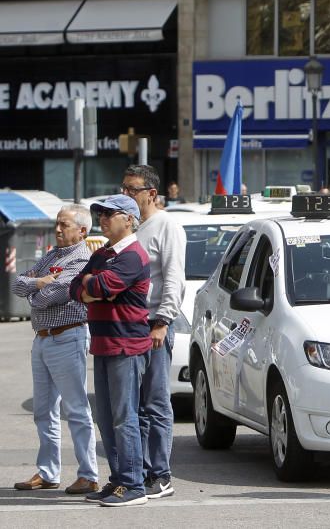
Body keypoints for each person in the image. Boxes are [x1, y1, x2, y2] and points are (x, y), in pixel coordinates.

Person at [69, 195, 151, 507]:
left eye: (109, 214)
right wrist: (91, 286)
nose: (102, 219)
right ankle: (118, 480)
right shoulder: (103, 253)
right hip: (104, 344)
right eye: (100, 214)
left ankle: (133, 484)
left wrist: (92, 287)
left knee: (124, 417)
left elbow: (100, 288)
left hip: (125, 345)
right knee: (106, 417)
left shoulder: (132, 255)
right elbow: (76, 287)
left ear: (129, 219)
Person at [12, 205, 99, 495]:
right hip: (43, 338)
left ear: (82, 230)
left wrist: (38, 289)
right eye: (57, 224)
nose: (58, 229)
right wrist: (38, 282)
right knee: (44, 410)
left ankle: (88, 473)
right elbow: (18, 284)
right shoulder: (51, 255)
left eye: (64, 225)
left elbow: (50, 295)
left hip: (68, 337)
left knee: (75, 409)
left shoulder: (83, 259)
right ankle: (49, 472)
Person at [121, 165, 185, 501]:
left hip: (154, 324)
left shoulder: (166, 225)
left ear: (151, 194)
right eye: (124, 188)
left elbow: (174, 277)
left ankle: (161, 474)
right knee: (135, 406)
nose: (127, 195)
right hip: (129, 324)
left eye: (132, 189)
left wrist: (162, 321)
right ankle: (142, 472)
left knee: (156, 402)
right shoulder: (131, 228)